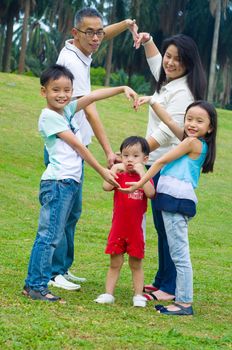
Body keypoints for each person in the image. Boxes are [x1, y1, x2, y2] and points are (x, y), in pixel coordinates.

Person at [23, 64, 137, 302]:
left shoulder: (65, 111)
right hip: (58, 183)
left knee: (53, 234)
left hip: (68, 183)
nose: (63, 94)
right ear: (44, 92)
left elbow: (92, 96)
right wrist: (102, 172)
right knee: (49, 236)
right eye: (56, 90)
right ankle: (36, 286)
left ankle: (34, 284)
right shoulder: (50, 117)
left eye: (67, 89)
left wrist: (122, 88)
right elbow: (78, 145)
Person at [49, 7, 138, 289]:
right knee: (61, 211)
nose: (97, 38)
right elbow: (89, 110)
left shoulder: (82, 48)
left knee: (73, 211)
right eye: (90, 32)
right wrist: (110, 151)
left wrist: (124, 24)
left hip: (76, 145)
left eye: (99, 31)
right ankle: (54, 273)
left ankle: (62, 266)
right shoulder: (70, 62)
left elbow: (100, 34)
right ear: (75, 33)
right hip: (66, 146)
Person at [120, 99, 217, 315]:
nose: (192, 124)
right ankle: (182, 300)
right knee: (177, 253)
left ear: (209, 128)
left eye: (199, 121)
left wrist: (140, 181)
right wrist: (153, 102)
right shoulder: (191, 141)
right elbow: (170, 121)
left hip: (176, 201)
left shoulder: (191, 143)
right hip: (174, 201)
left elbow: (160, 161)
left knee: (180, 255)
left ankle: (183, 303)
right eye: (189, 119)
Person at [132, 31, 207, 301]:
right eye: (169, 56)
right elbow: (157, 64)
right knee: (161, 228)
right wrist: (149, 40)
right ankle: (162, 280)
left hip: (164, 165)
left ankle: (170, 287)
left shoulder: (184, 91)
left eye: (177, 59)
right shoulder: (168, 82)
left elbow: (166, 133)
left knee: (167, 230)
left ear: (189, 63)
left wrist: (135, 155)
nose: (170, 62)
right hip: (155, 162)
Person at [94, 136, 155, 307]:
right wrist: (114, 168)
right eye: (126, 155)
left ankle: (138, 295)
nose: (130, 160)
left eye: (135, 156)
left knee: (136, 263)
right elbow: (106, 187)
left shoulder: (144, 176)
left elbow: (150, 193)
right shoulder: (119, 174)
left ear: (145, 159)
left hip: (136, 230)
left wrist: (142, 173)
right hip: (118, 228)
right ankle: (108, 294)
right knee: (115, 262)